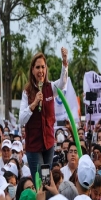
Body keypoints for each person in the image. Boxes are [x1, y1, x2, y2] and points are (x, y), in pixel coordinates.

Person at [19, 48, 68, 182]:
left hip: (49, 145)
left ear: (46, 69)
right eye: (37, 67)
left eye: (43, 67)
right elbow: (21, 120)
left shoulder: (50, 87)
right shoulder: (27, 92)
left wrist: (64, 62)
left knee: (47, 179)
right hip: (34, 147)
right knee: (40, 179)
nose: (40, 71)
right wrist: (34, 104)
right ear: (33, 70)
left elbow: (63, 83)